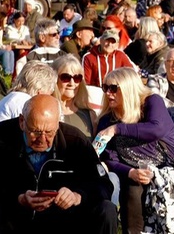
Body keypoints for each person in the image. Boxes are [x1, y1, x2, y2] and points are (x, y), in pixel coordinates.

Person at [95, 67, 174, 234]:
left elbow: (157, 129)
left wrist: (117, 129)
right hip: (138, 173)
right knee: (133, 188)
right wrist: (130, 172)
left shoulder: (151, 102)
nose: (108, 93)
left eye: (113, 88)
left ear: (128, 88)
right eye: (105, 87)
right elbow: (108, 159)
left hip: (172, 168)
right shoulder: (107, 120)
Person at [0, 94, 116, 233]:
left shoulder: (75, 141)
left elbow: (103, 185)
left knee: (106, 209)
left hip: (62, 219)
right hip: (13, 218)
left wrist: (77, 196)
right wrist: (19, 198)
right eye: (35, 132)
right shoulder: (3, 137)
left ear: (57, 124)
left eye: (49, 132)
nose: (42, 139)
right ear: (22, 122)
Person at [53, 55, 98, 138]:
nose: (72, 83)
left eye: (77, 78)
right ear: (54, 79)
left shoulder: (90, 115)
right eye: (66, 77)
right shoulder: (46, 113)